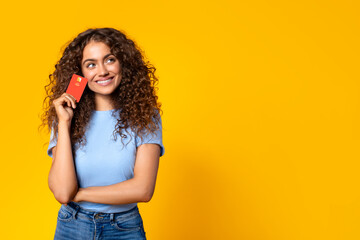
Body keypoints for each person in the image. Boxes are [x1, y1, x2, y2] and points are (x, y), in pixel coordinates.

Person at [41, 27, 165, 240]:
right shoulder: (67, 117)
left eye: (109, 60)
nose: (102, 71)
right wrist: (64, 122)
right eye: (91, 64)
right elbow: (62, 192)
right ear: (80, 74)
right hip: (72, 226)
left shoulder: (145, 115)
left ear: (123, 63)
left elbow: (143, 189)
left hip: (124, 228)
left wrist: (80, 194)